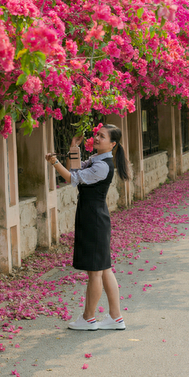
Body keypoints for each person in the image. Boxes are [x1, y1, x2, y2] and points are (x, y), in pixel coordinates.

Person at [46, 124, 130, 331]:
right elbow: (74, 169)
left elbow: (70, 178)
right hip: (94, 216)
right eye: (97, 135)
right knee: (104, 268)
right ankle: (116, 317)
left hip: (93, 218)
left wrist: (54, 162)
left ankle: (88, 318)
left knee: (95, 271)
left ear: (112, 144)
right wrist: (74, 149)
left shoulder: (102, 166)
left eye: (102, 136)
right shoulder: (97, 160)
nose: (97, 138)